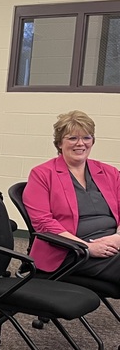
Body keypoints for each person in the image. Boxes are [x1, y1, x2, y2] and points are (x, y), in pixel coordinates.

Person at [24, 110, 120, 278]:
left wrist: (118, 238)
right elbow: (43, 223)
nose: (80, 143)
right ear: (60, 143)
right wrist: (86, 247)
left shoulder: (109, 172)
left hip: (113, 245)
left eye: (86, 138)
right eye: (73, 138)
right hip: (71, 252)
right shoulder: (42, 174)